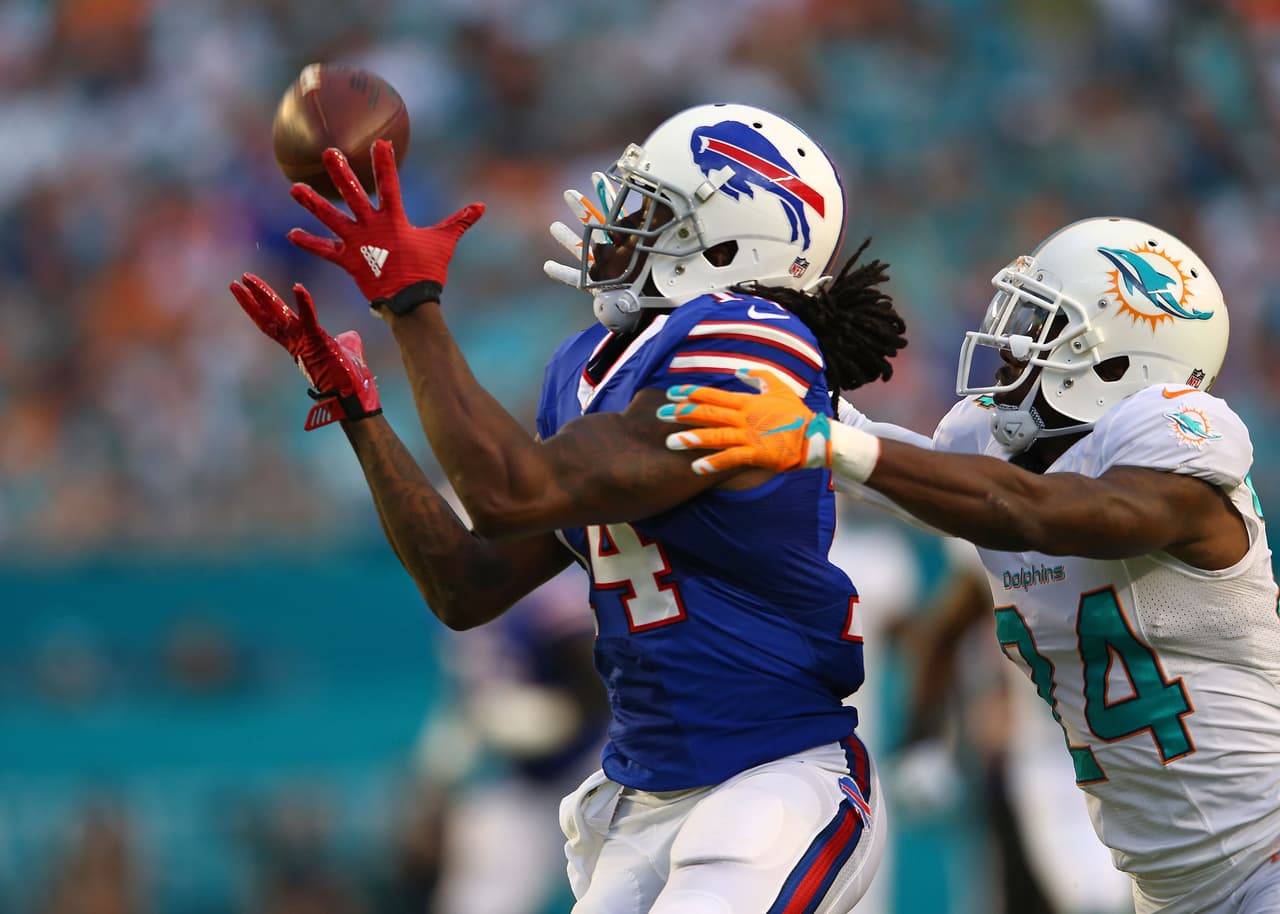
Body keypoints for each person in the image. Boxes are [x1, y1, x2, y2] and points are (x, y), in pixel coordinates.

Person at [230, 103, 909, 913]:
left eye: (652, 208)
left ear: (728, 245)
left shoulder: (750, 340)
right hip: (647, 796)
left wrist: (410, 303)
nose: (615, 220)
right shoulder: (595, 365)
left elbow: (509, 490)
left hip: (771, 782)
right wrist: (357, 411)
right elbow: (467, 584)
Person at [659, 216, 1280, 914]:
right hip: (1172, 888)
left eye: (1044, 325)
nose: (1011, 345)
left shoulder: (1177, 451)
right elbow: (920, 484)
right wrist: (790, 391)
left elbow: (1052, 515)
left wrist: (826, 440)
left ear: (1114, 362)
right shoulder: (995, 456)